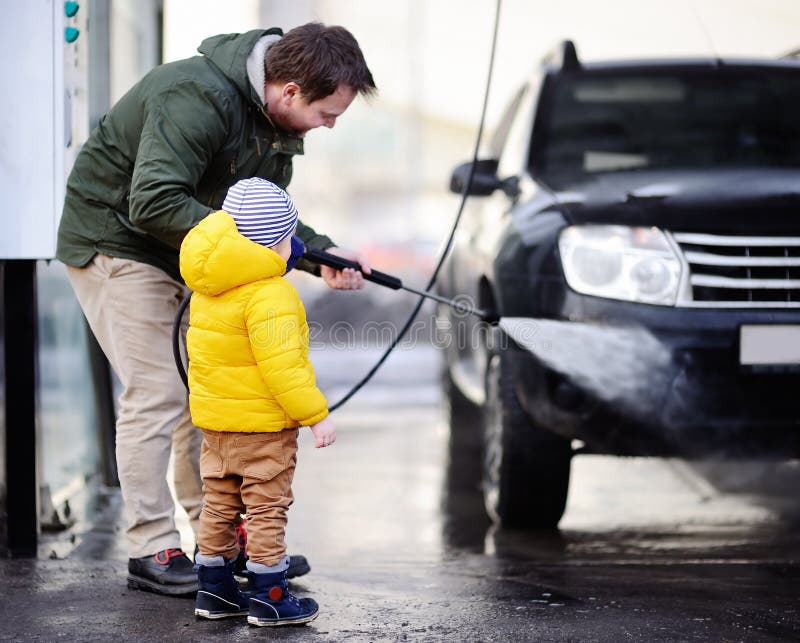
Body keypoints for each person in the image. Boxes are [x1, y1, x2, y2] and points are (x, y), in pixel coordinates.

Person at [56, 23, 375, 595]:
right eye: (329, 114)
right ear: (291, 91)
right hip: (118, 241)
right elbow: (153, 201)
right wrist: (275, 251)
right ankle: (151, 546)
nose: (329, 126)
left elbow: (260, 216)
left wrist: (318, 253)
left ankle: (218, 543)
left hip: (192, 255)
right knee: (158, 391)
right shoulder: (196, 95)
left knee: (205, 391)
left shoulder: (273, 123)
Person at [181, 177, 334, 626]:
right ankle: (269, 595)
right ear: (272, 245)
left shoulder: (210, 286)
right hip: (263, 430)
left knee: (219, 504)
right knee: (267, 509)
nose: (294, 246)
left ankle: (214, 591)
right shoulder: (271, 294)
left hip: (216, 426)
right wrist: (316, 415)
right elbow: (284, 368)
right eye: (289, 238)